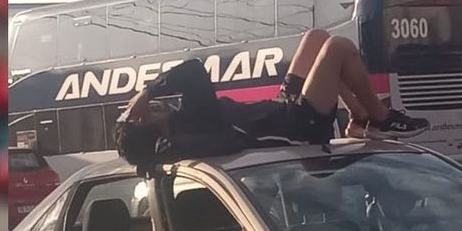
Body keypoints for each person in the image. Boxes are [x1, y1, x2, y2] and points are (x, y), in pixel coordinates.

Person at [114, 29, 429, 167]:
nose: (149, 107)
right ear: (153, 130)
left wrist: (146, 99)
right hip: (298, 127)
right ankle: (381, 120)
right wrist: (148, 91)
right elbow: (194, 70)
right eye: (143, 115)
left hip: (281, 110)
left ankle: (358, 120)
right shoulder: (192, 129)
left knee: (316, 38)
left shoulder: (186, 120)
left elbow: (192, 72)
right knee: (338, 47)